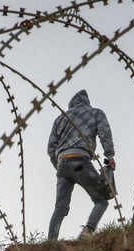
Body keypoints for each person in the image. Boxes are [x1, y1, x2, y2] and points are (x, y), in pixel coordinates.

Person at [46, 89, 115, 240]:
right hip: (80, 160)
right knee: (101, 200)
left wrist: (58, 166)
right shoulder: (96, 113)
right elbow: (105, 134)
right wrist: (109, 156)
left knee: (60, 207)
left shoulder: (60, 119)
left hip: (62, 163)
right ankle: (87, 233)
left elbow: (51, 148)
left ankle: (50, 241)